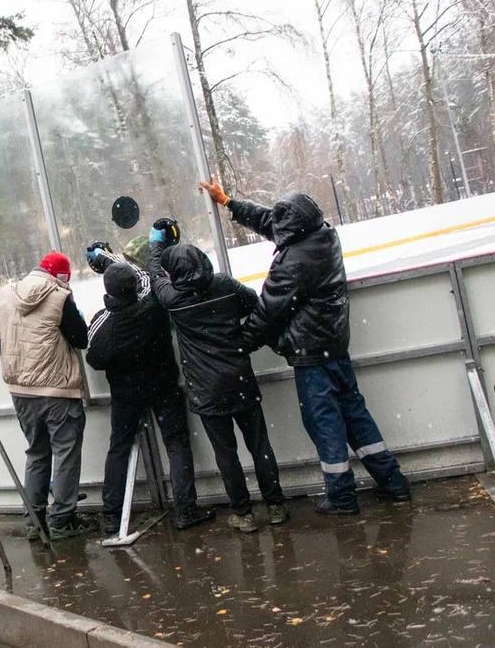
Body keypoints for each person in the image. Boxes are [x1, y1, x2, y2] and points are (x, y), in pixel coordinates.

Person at [199, 178, 412, 515]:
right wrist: (229, 202)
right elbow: (271, 222)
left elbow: (268, 312)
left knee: (323, 422)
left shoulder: (295, 260)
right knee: (354, 414)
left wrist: (237, 345)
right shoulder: (322, 234)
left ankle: (341, 497)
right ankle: (393, 481)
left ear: (292, 229)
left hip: (312, 354)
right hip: (334, 345)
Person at [145, 219, 289, 533]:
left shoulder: (172, 299)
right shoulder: (224, 285)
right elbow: (256, 305)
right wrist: (242, 338)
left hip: (206, 389)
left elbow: (155, 273)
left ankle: (244, 514)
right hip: (239, 378)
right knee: (259, 446)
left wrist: (156, 245)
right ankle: (276, 506)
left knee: (227, 454)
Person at [83, 248, 215, 533]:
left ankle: (112, 516)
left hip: (126, 396)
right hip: (163, 385)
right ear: (133, 286)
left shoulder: (104, 324)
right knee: (176, 443)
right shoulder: (153, 304)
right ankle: (185, 510)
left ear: (108, 292)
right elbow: (144, 275)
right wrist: (110, 257)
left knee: (119, 447)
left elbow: (94, 358)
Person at [0, 251, 95, 540]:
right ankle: (62, 520)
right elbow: (81, 339)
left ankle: (34, 522)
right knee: (65, 453)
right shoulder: (60, 297)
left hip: (21, 391)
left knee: (37, 453)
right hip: (57, 390)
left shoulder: (3, 295)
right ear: (62, 277)